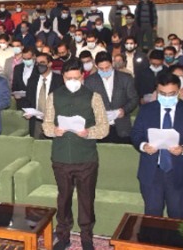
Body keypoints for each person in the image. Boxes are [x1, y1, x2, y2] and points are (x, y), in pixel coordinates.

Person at [41, 60, 109, 250]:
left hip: (86, 158)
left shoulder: (94, 97)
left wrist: (88, 132)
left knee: (86, 200)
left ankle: (87, 237)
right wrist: (54, 130)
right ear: (63, 77)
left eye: (76, 78)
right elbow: (46, 124)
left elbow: (104, 128)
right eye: (68, 78)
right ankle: (63, 236)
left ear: (82, 76)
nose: (73, 81)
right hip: (61, 156)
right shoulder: (54, 96)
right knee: (63, 198)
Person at [130, 69, 183, 219]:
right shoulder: (146, 110)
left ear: (179, 91)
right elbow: (136, 134)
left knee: (178, 217)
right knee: (152, 217)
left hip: (179, 173)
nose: (166, 97)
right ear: (157, 91)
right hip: (152, 173)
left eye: (171, 94)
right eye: (162, 94)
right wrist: (143, 146)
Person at [84, 51, 137, 144]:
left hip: (122, 127)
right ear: (96, 66)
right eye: (101, 68)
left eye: (107, 67)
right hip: (100, 127)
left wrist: (123, 111)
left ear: (112, 63)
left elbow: (134, 99)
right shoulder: (89, 81)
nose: (105, 71)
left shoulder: (126, 78)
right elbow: (86, 103)